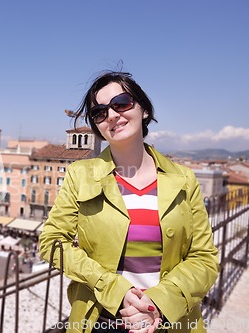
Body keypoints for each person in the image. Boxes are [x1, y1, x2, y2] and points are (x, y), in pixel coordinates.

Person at [38, 71, 219, 333]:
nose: (111, 115)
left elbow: (204, 258)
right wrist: (113, 288)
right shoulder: (80, 175)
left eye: (121, 103)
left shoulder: (184, 179)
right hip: (100, 321)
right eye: (99, 113)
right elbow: (52, 242)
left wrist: (158, 302)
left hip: (171, 321)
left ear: (143, 109)